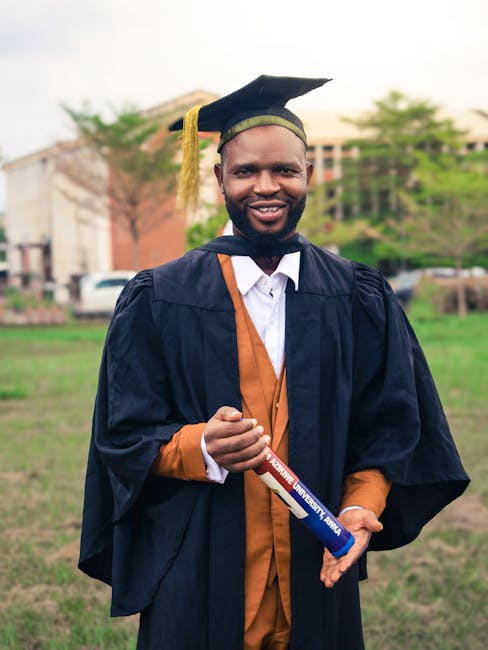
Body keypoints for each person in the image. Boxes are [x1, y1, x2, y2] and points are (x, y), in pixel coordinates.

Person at [78, 75, 469, 650]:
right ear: (219, 179)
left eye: (285, 170)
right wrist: (200, 446)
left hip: (316, 564)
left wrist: (360, 506)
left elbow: (389, 425)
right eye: (246, 171)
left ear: (308, 173)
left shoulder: (356, 296)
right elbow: (123, 433)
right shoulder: (159, 297)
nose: (267, 186)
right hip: (200, 570)